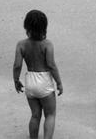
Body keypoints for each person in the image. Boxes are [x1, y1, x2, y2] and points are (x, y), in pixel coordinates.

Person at [13, 10, 63, 139]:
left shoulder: (21, 45)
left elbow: (17, 65)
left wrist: (16, 80)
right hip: (44, 82)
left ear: (26, 26)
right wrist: (59, 83)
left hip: (30, 81)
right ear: (44, 27)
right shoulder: (47, 44)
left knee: (35, 115)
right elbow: (51, 65)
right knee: (50, 114)